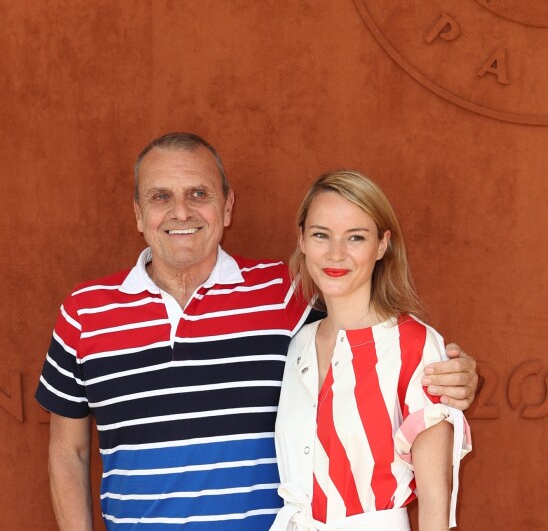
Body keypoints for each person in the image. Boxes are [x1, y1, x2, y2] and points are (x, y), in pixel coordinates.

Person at [35, 133, 477, 530]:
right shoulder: (84, 312)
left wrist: (454, 373)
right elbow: (68, 451)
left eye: (198, 193)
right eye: (160, 196)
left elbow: (376, 336)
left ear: (227, 206)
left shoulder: (287, 294)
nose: (181, 211)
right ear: (138, 212)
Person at [271, 171, 472, 531]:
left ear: (382, 245)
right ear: (301, 239)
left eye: (356, 237)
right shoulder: (299, 344)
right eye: (321, 235)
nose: (336, 253)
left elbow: (434, 503)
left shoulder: (415, 344)